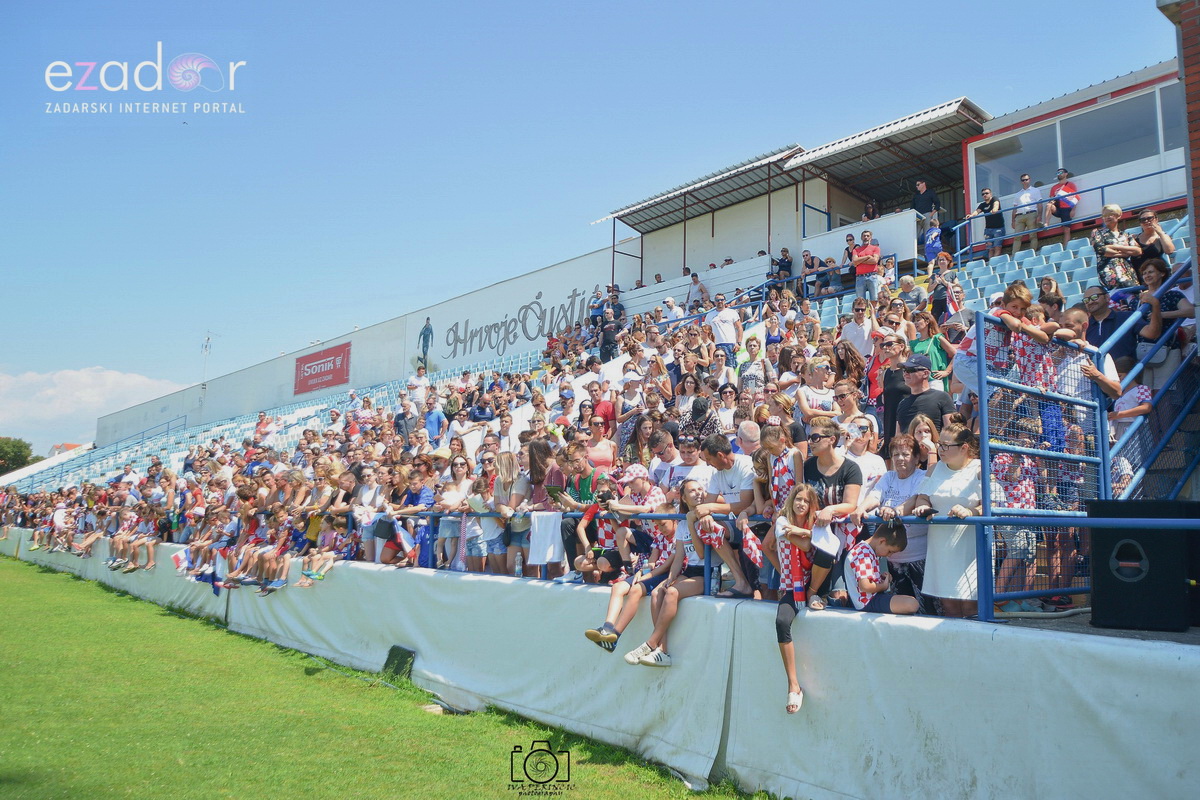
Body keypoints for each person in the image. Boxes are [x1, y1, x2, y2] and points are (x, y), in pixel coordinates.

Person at [883, 422, 981, 618]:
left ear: (964, 448)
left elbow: (991, 502)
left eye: (945, 445)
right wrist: (923, 505)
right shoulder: (934, 469)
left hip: (969, 547)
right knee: (949, 606)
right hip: (940, 547)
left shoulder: (979, 468)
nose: (939, 449)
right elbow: (923, 496)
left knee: (971, 608)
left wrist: (972, 511)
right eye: (940, 444)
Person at [623, 479, 712, 667]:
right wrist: (669, 579)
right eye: (692, 491)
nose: (697, 493)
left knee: (672, 592)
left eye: (700, 489)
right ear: (685, 498)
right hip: (690, 571)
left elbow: (702, 553)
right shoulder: (682, 523)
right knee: (658, 591)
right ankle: (662, 650)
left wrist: (690, 524)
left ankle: (651, 643)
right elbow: (679, 557)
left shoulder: (705, 518)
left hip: (709, 571)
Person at [861, 433, 936, 614]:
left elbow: (914, 500)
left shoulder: (922, 476)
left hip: (920, 557)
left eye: (905, 454)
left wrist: (894, 512)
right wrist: (860, 508)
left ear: (917, 457)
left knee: (929, 609)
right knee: (902, 612)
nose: (900, 459)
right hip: (894, 560)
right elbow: (875, 496)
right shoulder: (888, 477)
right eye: (896, 455)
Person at [772, 483, 821, 715]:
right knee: (782, 621)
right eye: (798, 499)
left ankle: (816, 594)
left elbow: (812, 544)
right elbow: (805, 543)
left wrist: (806, 533)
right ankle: (793, 684)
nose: (801, 504)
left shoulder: (815, 524)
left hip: (812, 582)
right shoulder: (781, 521)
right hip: (791, 587)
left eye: (806, 501)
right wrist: (808, 534)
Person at [1136, 258, 1193, 390]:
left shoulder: (1173, 294)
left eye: (1151, 272)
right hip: (1143, 349)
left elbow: (1191, 311)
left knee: (1165, 391)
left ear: (1162, 273)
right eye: (1144, 273)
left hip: (1168, 347)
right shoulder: (1138, 300)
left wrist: (1162, 314)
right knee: (1146, 392)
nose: (1147, 275)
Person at [843, 520, 918, 614]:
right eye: (890, 551)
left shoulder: (866, 550)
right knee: (912, 604)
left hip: (872, 598)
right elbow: (865, 586)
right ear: (882, 541)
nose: (889, 555)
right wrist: (884, 586)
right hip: (867, 602)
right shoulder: (864, 553)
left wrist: (881, 578)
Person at [895, 354, 955, 435]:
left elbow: (951, 433)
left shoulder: (942, 397)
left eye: (910, 370)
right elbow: (898, 436)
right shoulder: (902, 403)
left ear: (926, 373)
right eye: (904, 370)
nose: (905, 373)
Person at [1090, 204, 1142, 291]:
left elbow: (1138, 251)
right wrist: (1124, 253)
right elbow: (1101, 250)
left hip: (1127, 270)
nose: (1107, 217)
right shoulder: (1098, 233)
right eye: (1104, 215)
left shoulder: (1126, 235)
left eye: (1110, 214)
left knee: (1134, 292)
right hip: (1109, 270)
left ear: (1118, 215)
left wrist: (1115, 246)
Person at [1042, 168, 1080, 249]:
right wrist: (1051, 203)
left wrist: (1073, 210)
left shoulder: (1071, 184)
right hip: (1058, 208)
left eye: (1061, 172)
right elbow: (1051, 199)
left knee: (1066, 230)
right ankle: (1046, 224)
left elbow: (1075, 198)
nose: (1059, 174)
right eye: (1057, 173)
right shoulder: (1054, 187)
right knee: (1048, 205)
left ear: (1066, 174)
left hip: (1067, 208)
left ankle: (1066, 248)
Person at [965, 187, 1005, 260]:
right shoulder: (982, 205)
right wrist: (971, 215)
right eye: (983, 194)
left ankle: (994, 263)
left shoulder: (994, 199)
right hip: (988, 229)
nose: (985, 195)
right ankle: (991, 264)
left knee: (997, 247)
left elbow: (996, 205)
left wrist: (994, 209)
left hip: (998, 228)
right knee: (990, 249)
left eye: (986, 193)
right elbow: (977, 211)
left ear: (990, 194)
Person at [705, 293, 743, 363]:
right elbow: (707, 331)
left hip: (730, 344)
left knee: (731, 367)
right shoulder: (709, 315)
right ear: (714, 302)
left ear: (725, 301)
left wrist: (739, 343)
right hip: (716, 345)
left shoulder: (732, 312)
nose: (720, 301)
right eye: (717, 300)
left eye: (721, 300)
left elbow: (739, 328)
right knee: (717, 369)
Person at [1010, 173, 1043, 254]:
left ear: (1029, 180)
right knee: (1017, 237)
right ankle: (1014, 256)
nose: (1025, 181)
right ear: (1021, 182)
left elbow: (1040, 204)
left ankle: (1033, 253)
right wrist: (1013, 220)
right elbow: (1014, 208)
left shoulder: (1035, 190)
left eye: (1026, 179)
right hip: (1019, 216)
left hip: (1031, 214)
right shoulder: (1018, 194)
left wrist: (1039, 216)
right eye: (1023, 180)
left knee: (1032, 235)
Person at [852, 230, 882, 301]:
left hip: (872, 276)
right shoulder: (856, 250)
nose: (866, 237)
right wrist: (867, 257)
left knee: (874, 299)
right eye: (864, 236)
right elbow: (855, 262)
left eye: (867, 236)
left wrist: (860, 260)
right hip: (860, 277)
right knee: (860, 300)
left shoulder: (875, 248)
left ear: (870, 238)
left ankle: (874, 312)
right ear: (861, 237)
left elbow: (875, 260)